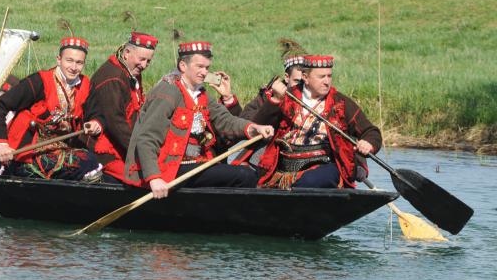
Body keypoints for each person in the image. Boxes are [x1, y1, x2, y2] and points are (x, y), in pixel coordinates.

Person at [124, 41, 275, 198]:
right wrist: (154, 178)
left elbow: (225, 120)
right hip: (170, 167)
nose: (204, 72)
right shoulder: (168, 92)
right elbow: (147, 137)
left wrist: (253, 128)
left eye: (207, 68)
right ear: (183, 66)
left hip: (196, 164)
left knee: (244, 172)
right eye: (200, 67)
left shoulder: (200, 93)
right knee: (244, 175)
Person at [254, 54, 381, 189]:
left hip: (325, 167)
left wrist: (369, 143)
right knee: (250, 177)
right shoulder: (286, 96)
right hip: (284, 170)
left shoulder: (341, 103)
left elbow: (371, 132)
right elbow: (257, 126)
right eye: (321, 77)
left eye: (329, 76)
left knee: (315, 180)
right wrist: (275, 100)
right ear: (305, 77)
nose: (327, 81)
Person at [0, 37, 103, 181]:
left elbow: (96, 112)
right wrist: (2, 144)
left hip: (61, 149)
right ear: (58, 59)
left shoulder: (85, 84)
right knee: (87, 163)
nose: (74, 67)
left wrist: (95, 123)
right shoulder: (39, 81)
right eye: (69, 60)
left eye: (79, 63)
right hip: (28, 153)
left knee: (91, 160)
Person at [83, 32, 158, 183]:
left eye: (148, 61)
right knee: (144, 179)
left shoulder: (131, 71)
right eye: (141, 59)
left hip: (125, 144)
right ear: (126, 53)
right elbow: (116, 124)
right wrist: (142, 153)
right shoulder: (112, 78)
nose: (144, 65)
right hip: (105, 150)